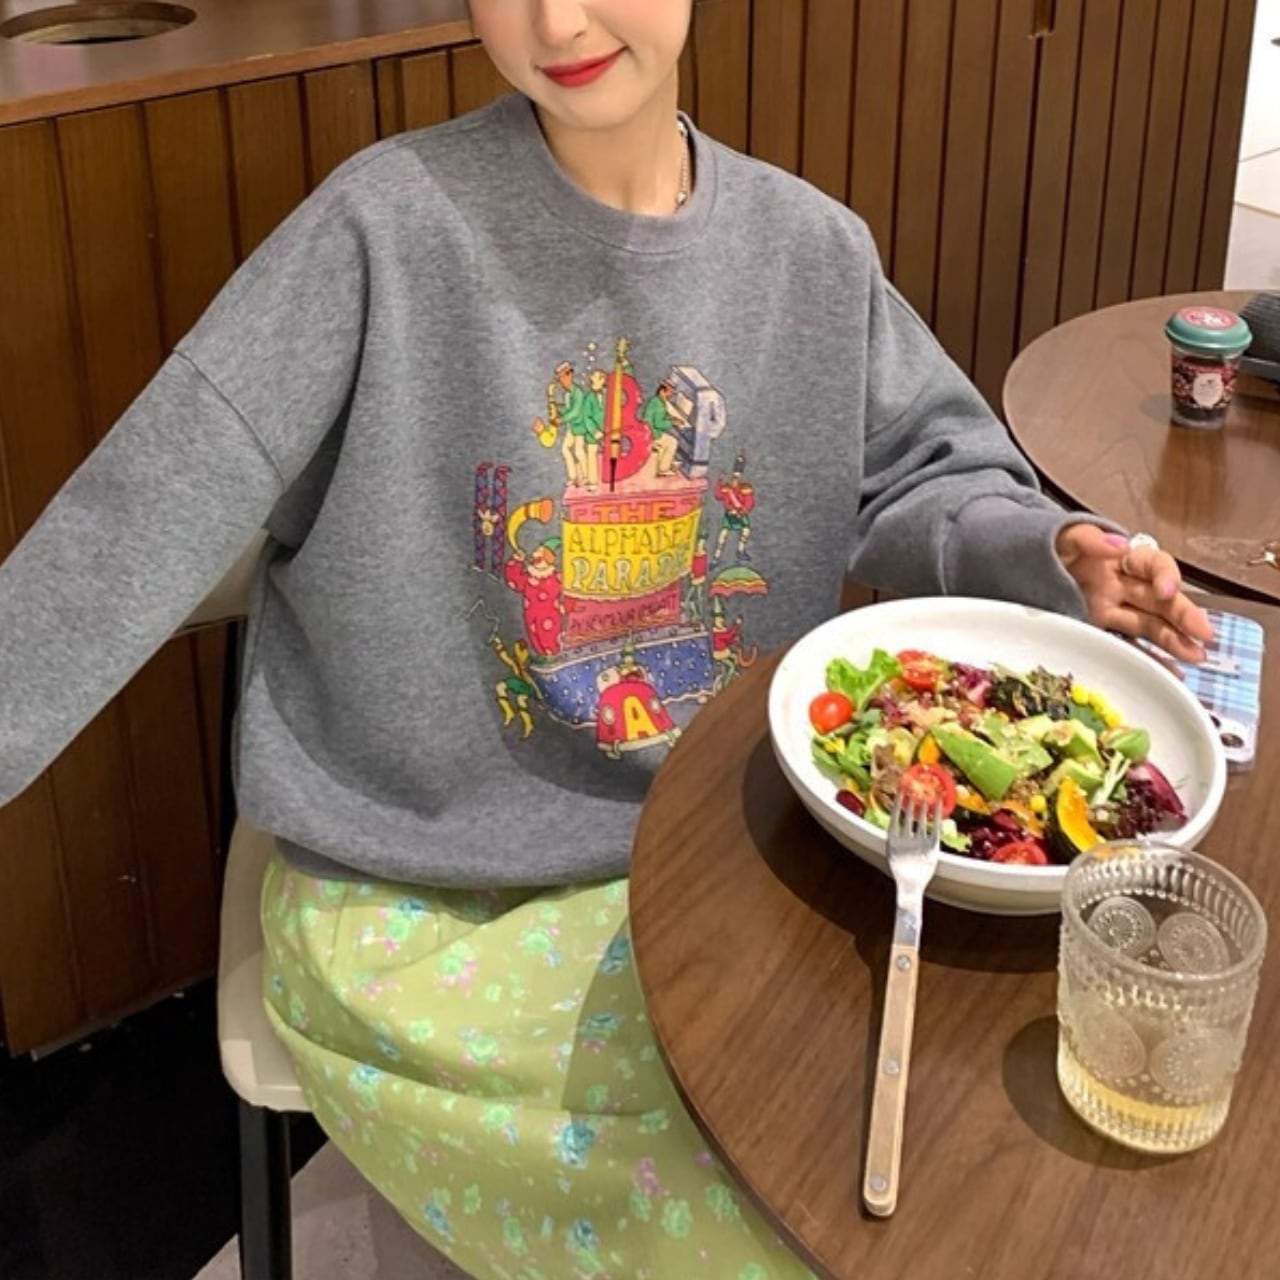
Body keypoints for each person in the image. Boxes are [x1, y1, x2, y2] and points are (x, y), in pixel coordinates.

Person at [0, 2, 1212, 1276]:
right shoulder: (382, 228)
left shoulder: (809, 250)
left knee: (951, 1138)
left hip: (726, 854)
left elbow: (923, 468)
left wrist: (1043, 551)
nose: (556, 19)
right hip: (417, 889)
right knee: (777, 1206)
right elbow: (149, 500)